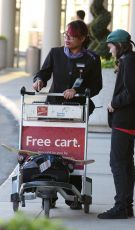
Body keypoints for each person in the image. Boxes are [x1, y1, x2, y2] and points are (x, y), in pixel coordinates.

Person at [33, 20, 102, 210]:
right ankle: (50, 194)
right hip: (52, 110)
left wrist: (77, 91)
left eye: (71, 36)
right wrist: (39, 80)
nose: (67, 39)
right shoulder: (55, 53)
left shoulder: (92, 58)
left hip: (76, 113)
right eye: (65, 35)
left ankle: (73, 195)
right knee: (50, 151)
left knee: (72, 153)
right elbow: (43, 72)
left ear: (82, 38)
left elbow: (96, 86)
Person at [97, 29, 135, 219]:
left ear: (119, 45)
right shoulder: (132, 61)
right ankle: (126, 206)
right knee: (126, 163)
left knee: (118, 163)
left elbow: (132, 92)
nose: (110, 51)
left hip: (124, 119)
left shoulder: (129, 61)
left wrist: (113, 103)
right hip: (130, 120)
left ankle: (121, 206)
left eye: (111, 47)